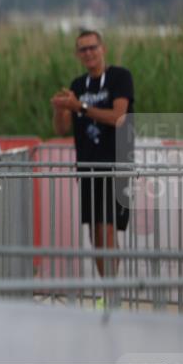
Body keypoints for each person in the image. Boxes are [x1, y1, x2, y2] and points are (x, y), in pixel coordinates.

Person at [51, 29, 135, 277]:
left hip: (116, 165)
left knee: (108, 229)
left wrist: (80, 106)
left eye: (92, 47)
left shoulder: (120, 77)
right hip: (87, 168)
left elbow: (119, 117)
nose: (88, 53)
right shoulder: (78, 85)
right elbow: (62, 128)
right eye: (83, 49)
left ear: (103, 49)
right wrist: (60, 108)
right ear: (78, 54)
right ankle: (107, 291)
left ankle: (111, 296)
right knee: (95, 233)